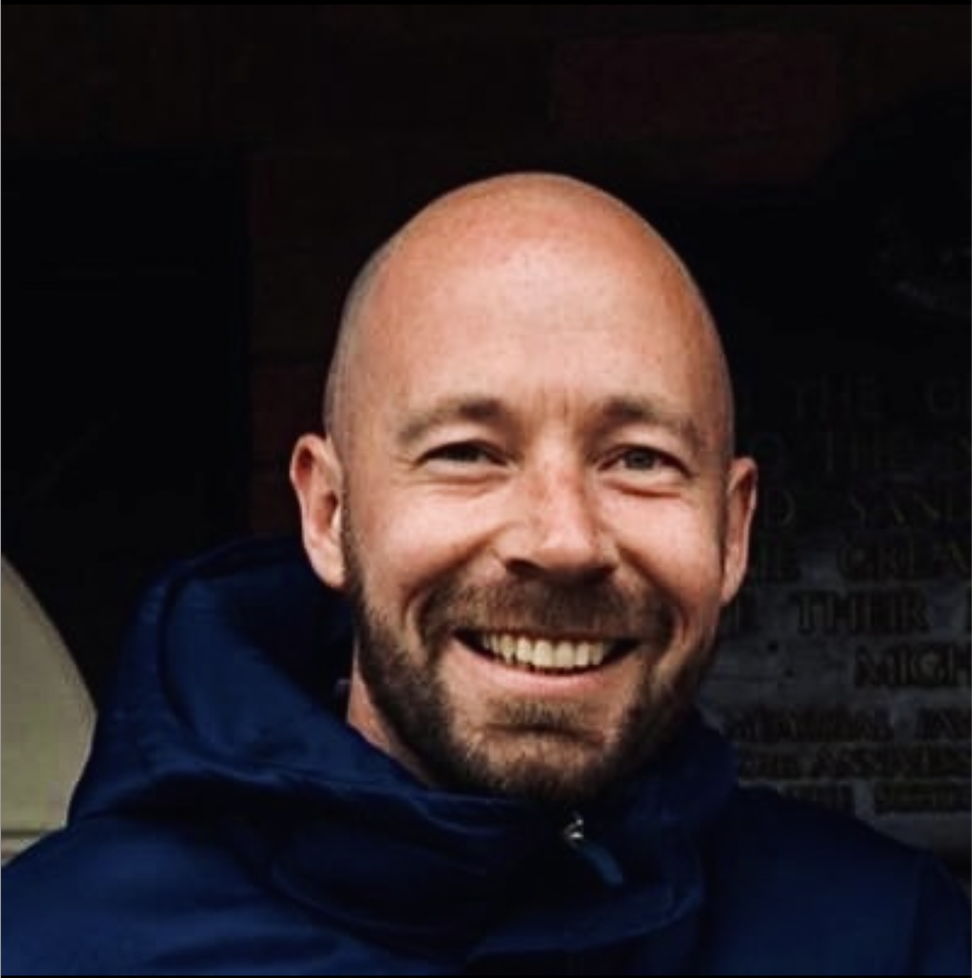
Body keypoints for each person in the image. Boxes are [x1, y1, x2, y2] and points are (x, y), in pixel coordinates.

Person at [4, 173, 969, 976]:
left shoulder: (892, 940)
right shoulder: (51, 949)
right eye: (468, 452)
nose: (563, 539)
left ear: (733, 530)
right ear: (329, 514)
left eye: (639, 459)